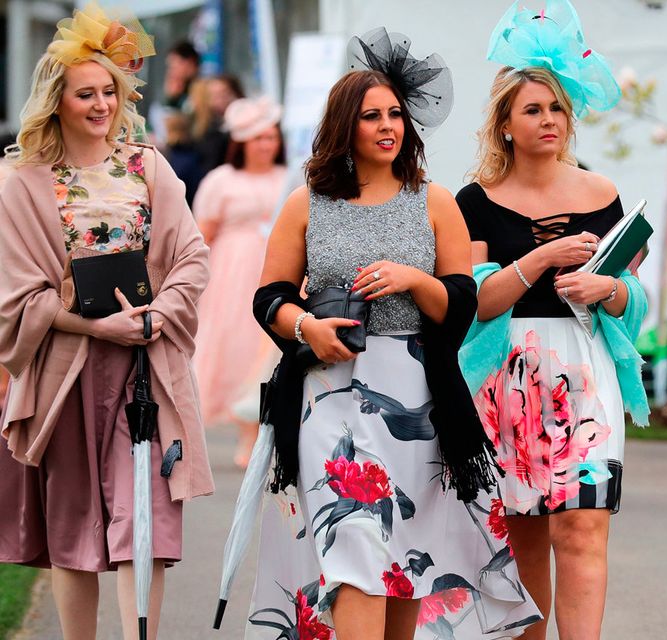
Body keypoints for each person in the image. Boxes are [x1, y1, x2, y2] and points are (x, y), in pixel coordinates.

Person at [244, 29, 539, 639]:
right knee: (352, 538)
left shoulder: (433, 201)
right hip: (327, 388)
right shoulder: (307, 203)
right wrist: (305, 326)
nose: (388, 126)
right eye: (372, 116)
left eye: (396, 115)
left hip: (416, 394)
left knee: (406, 558)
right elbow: (268, 295)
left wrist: (413, 279)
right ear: (344, 127)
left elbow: (463, 304)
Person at [0, 5, 212, 640]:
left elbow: (192, 256)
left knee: (142, 515)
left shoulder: (148, 165)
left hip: (147, 365)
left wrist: (158, 316)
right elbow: (16, 295)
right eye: (85, 93)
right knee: (73, 521)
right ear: (55, 101)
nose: (100, 105)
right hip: (65, 370)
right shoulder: (22, 182)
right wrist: (96, 328)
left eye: (109, 92)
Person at [456, 2, 650, 638]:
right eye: (533, 109)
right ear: (505, 124)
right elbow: (474, 302)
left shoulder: (601, 193)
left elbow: (634, 300)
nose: (549, 120)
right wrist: (541, 258)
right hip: (506, 373)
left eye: (557, 108)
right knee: (526, 535)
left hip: (585, 369)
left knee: (584, 522)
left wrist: (608, 289)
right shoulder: (475, 202)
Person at [192, 95, 286, 467]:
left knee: (267, 352)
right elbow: (203, 233)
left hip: (274, 267)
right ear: (242, 142)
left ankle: (259, 429)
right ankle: (241, 427)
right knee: (236, 347)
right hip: (232, 275)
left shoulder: (288, 177)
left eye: (271, 136)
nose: (267, 144)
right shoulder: (221, 181)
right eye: (259, 137)